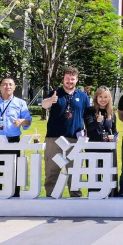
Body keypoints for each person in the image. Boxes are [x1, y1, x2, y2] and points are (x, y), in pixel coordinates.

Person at [41, 66, 90, 197]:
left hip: (75, 139)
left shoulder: (83, 96)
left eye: (72, 79)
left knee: (75, 170)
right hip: (54, 138)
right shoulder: (55, 93)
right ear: (63, 79)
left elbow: (87, 116)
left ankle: (75, 197)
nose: (69, 81)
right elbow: (44, 105)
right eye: (67, 78)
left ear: (77, 79)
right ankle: (51, 196)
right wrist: (50, 100)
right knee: (52, 170)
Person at [83, 86, 118, 197]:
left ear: (109, 98)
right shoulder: (90, 111)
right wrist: (97, 122)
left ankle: (111, 199)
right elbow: (89, 127)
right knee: (94, 175)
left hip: (109, 148)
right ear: (96, 97)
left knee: (109, 175)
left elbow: (114, 130)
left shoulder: (111, 113)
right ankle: (94, 199)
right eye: (100, 97)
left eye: (106, 97)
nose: (103, 99)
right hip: (93, 147)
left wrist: (115, 137)